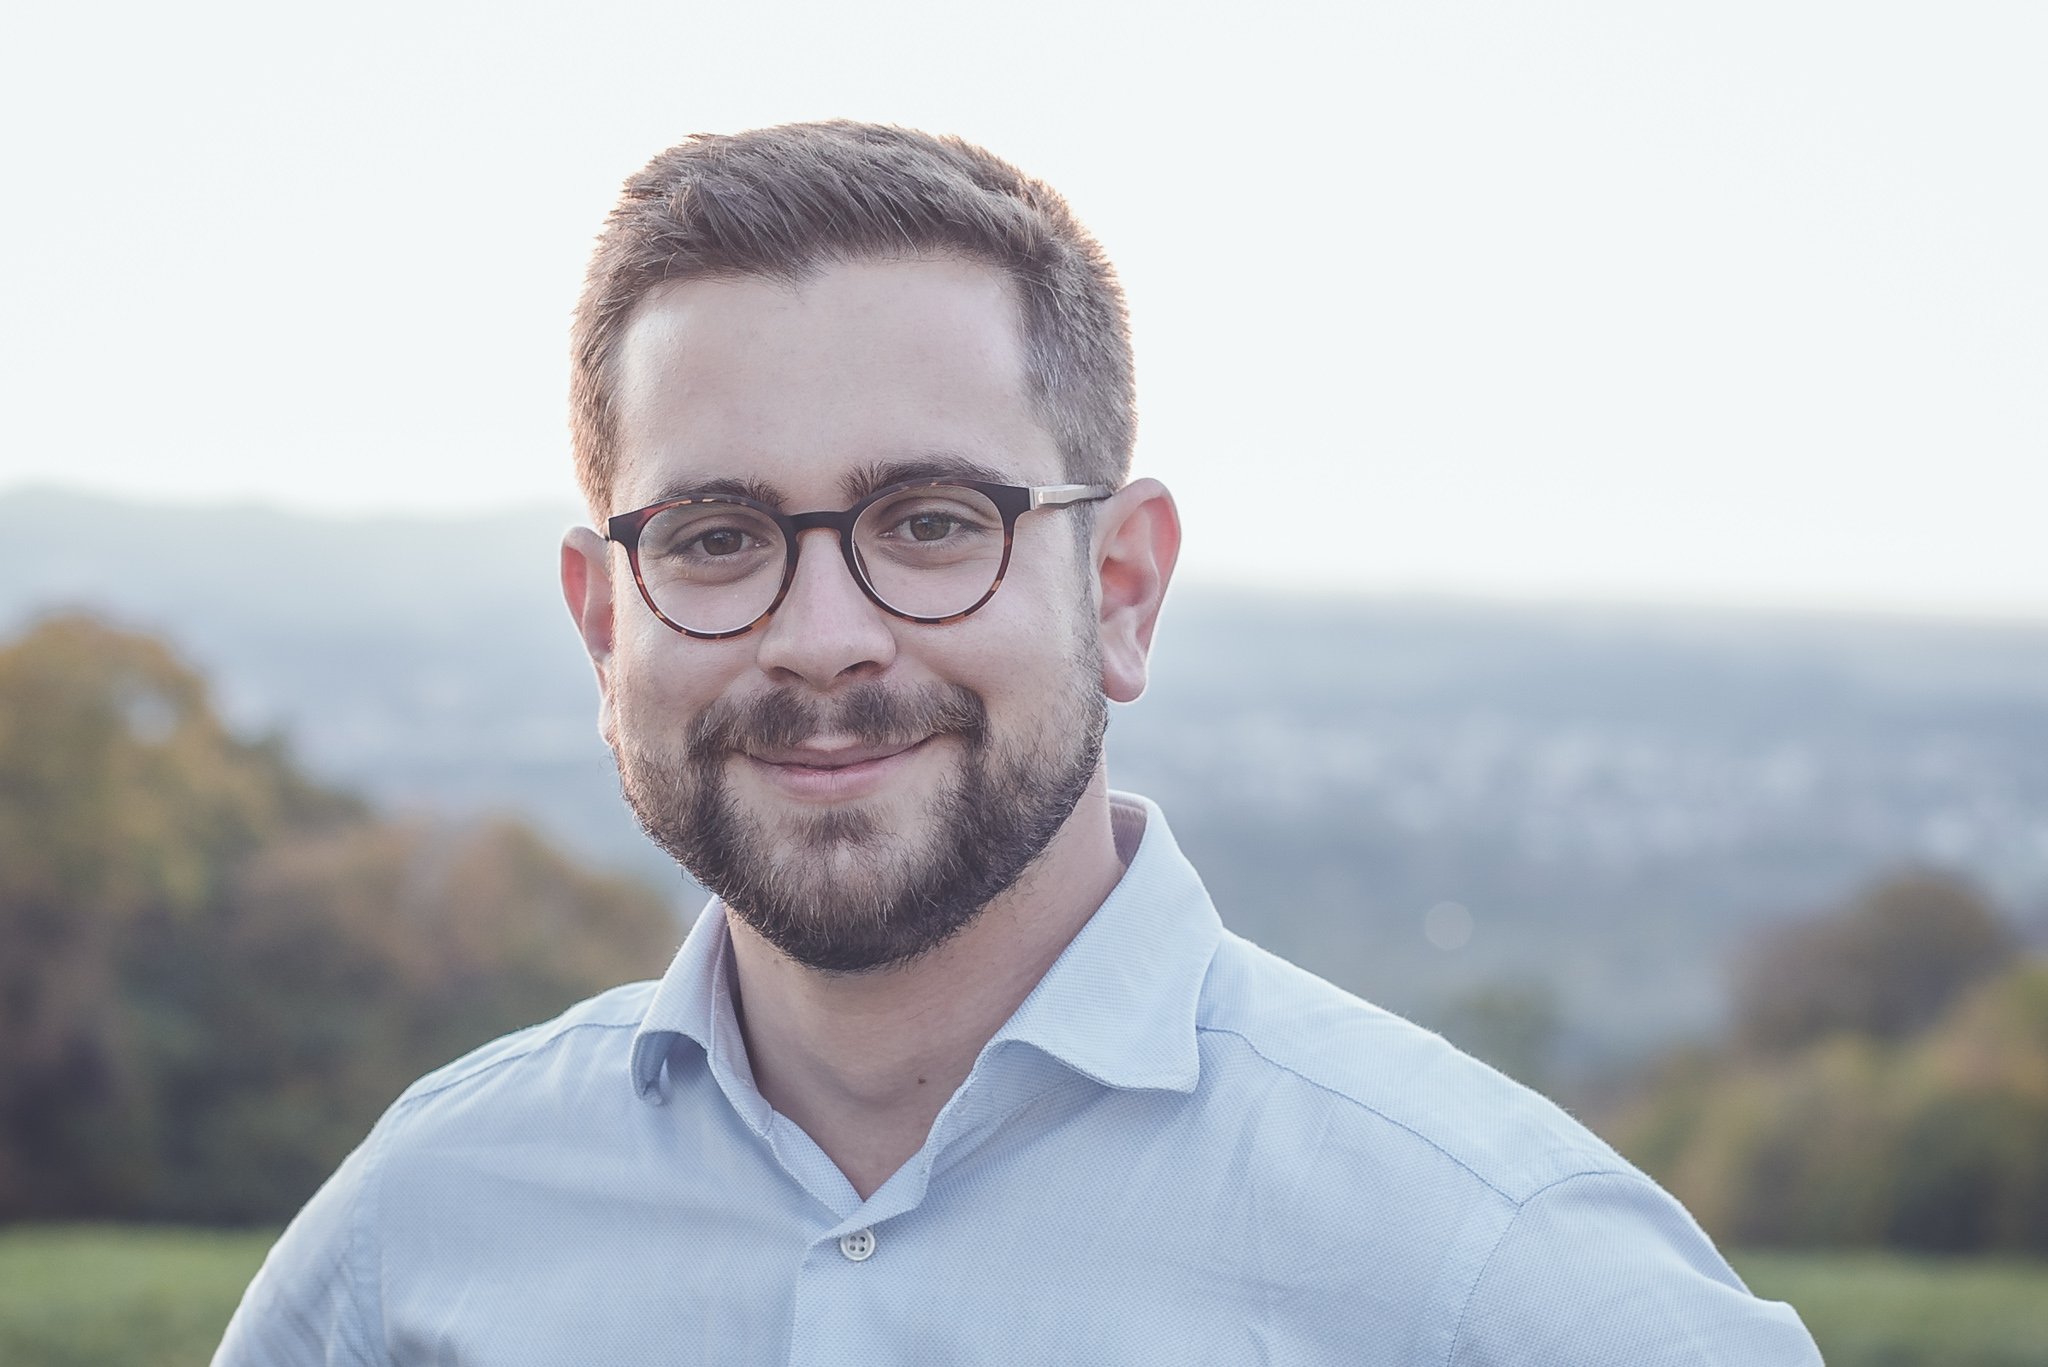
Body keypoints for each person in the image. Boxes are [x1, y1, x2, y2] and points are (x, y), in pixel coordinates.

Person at [216, 121, 1821, 1365]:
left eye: (931, 521)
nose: (821, 634)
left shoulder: (1491, 1270)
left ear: (1120, 589)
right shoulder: (422, 1231)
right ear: (600, 623)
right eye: (714, 536)